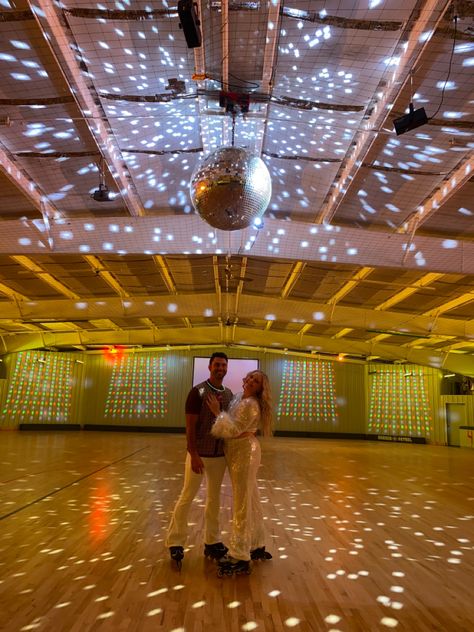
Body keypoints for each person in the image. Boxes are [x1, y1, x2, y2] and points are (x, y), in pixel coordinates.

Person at [166, 352, 233, 567]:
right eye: (217, 365)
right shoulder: (197, 392)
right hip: (199, 456)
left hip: (219, 457)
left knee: (214, 500)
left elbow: (228, 425)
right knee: (187, 496)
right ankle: (175, 541)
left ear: (227, 368)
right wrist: (193, 454)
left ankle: (211, 541)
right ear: (209, 366)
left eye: (223, 365)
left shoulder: (230, 394)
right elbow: (190, 427)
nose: (220, 368)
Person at [207, 369, 273, 575]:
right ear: (245, 378)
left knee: (242, 502)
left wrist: (217, 413)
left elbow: (233, 431)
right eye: (251, 376)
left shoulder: (250, 404)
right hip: (236, 452)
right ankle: (257, 543)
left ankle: (240, 554)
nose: (252, 380)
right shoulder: (237, 397)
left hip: (245, 453)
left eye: (257, 381)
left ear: (261, 388)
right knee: (251, 498)